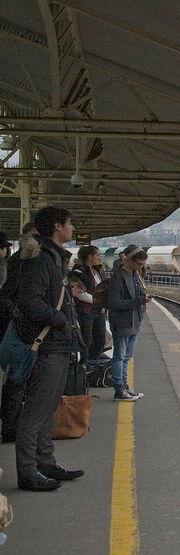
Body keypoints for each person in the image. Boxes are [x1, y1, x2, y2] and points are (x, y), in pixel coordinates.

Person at [14, 206, 84, 491]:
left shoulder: (53, 259)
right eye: (70, 224)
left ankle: (45, 462)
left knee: (48, 409)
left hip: (57, 344)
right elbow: (31, 303)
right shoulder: (42, 260)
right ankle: (28, 472)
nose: (72, 229)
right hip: (48, 345)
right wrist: (62, 321)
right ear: (57, 227)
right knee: (36, 412)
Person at [0, 222, 38, 443]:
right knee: (16, 380)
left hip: (15, 328)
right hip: (17, 331)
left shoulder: (12, 263)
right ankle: (12, 427)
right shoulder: (21, 264)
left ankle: (12, 425)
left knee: (16, 381)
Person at [108, 244, 152, 401]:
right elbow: (114, 303)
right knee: (119, 357)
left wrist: (143, 297)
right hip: (122, 322)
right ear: (129, 260)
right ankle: (119, 389)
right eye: (139, 264)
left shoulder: (134, 275)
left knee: (127, 357)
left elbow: (138, 293)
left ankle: (125, 387)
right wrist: (139, 300)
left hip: (134, 321)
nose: (141, 267)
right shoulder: (117, 278)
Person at [73, 245, 107, 362]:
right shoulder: (79, 271)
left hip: (98, 310)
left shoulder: (97, 271)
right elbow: (79, 293)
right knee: (86, 340)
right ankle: (84, 366)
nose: (100, 258)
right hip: (85, 310)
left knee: (100, 340)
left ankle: (93, 363)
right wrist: (99, 301)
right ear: (89, 256)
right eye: (97, 255)